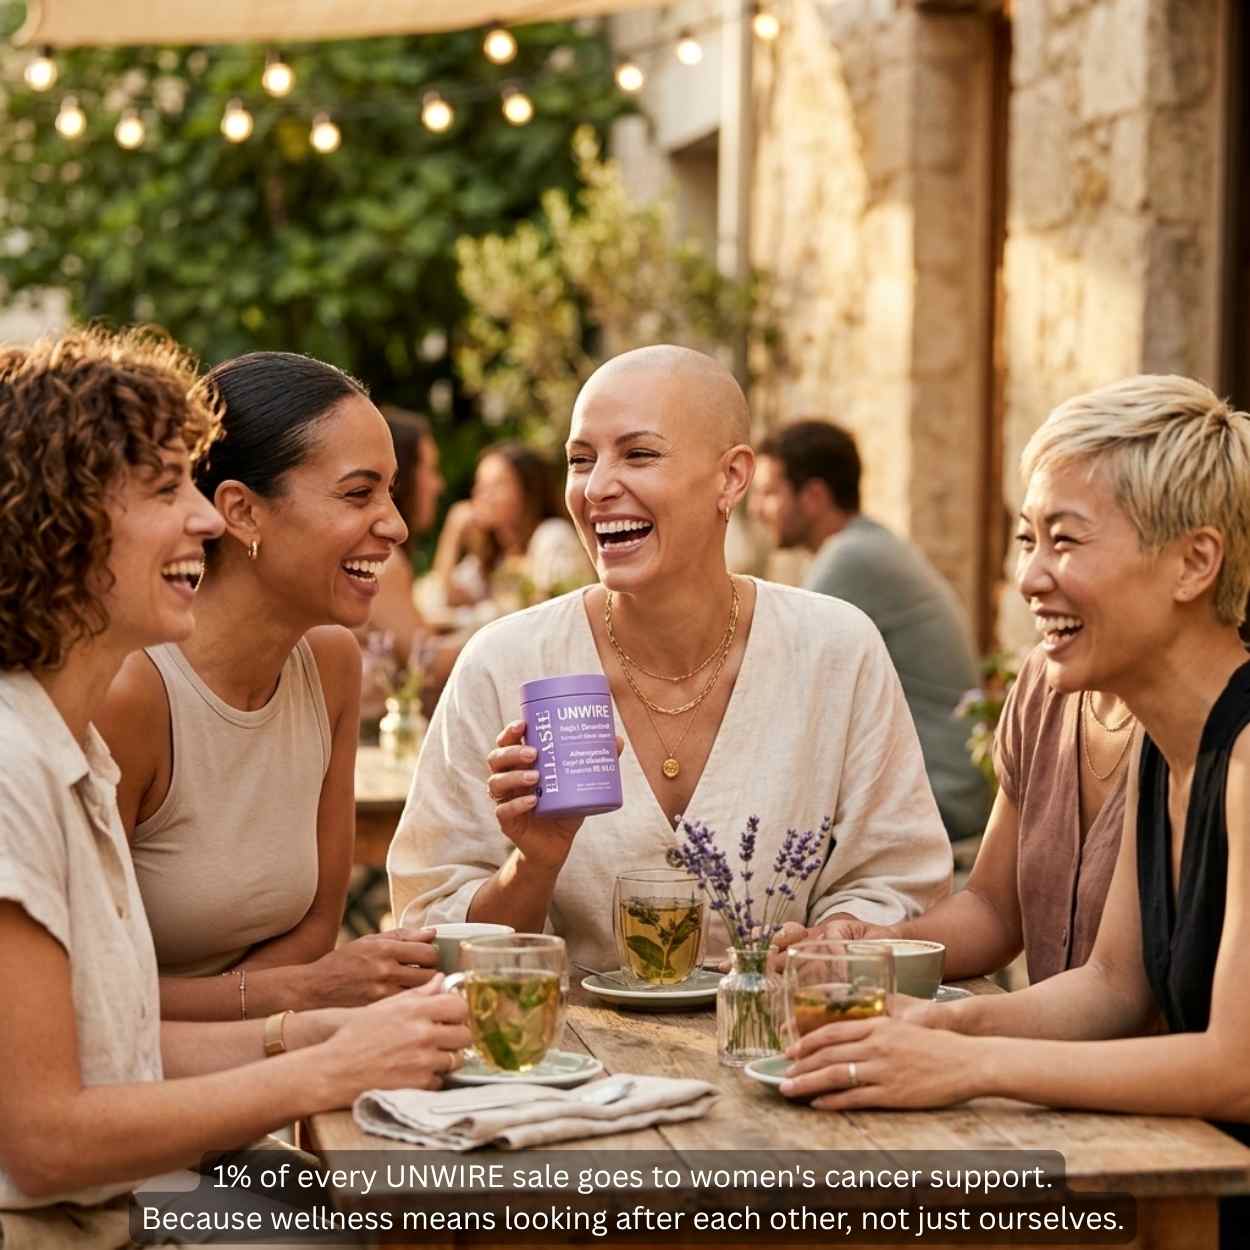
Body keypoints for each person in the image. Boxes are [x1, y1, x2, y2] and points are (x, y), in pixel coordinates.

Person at [0, 328, 468, 1243]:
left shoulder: (66, 749)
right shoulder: (17, 762)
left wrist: (317, 1033)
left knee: (425, 1214)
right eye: (165, 489)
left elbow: (119, 1046)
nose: (205, 518)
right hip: (72, 1219)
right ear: (63, 521)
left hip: (125, 1198)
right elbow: (44, 1142)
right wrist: (321, 1062)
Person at [780, 375, 1250, 1236]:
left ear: (1194, 562)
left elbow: (1237, 1068)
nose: (1029, 578)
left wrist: (970, 1063)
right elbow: (1112, 985)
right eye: (1028, 538)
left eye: (1064, 541)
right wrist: (929, 1024)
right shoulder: (1167, 745)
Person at [389, 346, 953, 972]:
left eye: (639, 454)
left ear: (731, 478)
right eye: (580, 460)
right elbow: (432, 933)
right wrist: (534, 864)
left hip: (784, 1030)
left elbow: (896, 884)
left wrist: (837, 941)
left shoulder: (836, 651)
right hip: (561, 1037)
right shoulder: (505, 663)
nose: (597, 488)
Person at [97, 351, 441, 1019]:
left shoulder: (332, 664)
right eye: (359, 493)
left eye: (392, 492)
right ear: (242, 512)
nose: (396, 526)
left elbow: (316, 925)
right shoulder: (131, 692)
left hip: (265, 1058)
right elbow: (83, 997)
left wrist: (276, 1019)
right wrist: (297, 999)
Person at [777, 644, 1132, 984]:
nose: (1034, 599)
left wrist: (953, 1020)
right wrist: (885, 943)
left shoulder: (1166, 728)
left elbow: (1113, 991)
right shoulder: (1044, 679)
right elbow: (993, 909)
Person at [750, 421, 990, 840]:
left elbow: (773, 678)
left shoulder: (851, 559)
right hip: (949, 788)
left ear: (814, 497)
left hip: (940, 795)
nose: (756, 509)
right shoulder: (867, 545)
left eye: (769, 493)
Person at [428, 440, 591, 615]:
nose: (482, 495)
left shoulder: (552, 537)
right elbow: (446, 598)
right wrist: (453, 531)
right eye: (480, 485)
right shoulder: (492, 556)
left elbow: (558, 611)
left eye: (496, 485)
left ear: (528, 491)